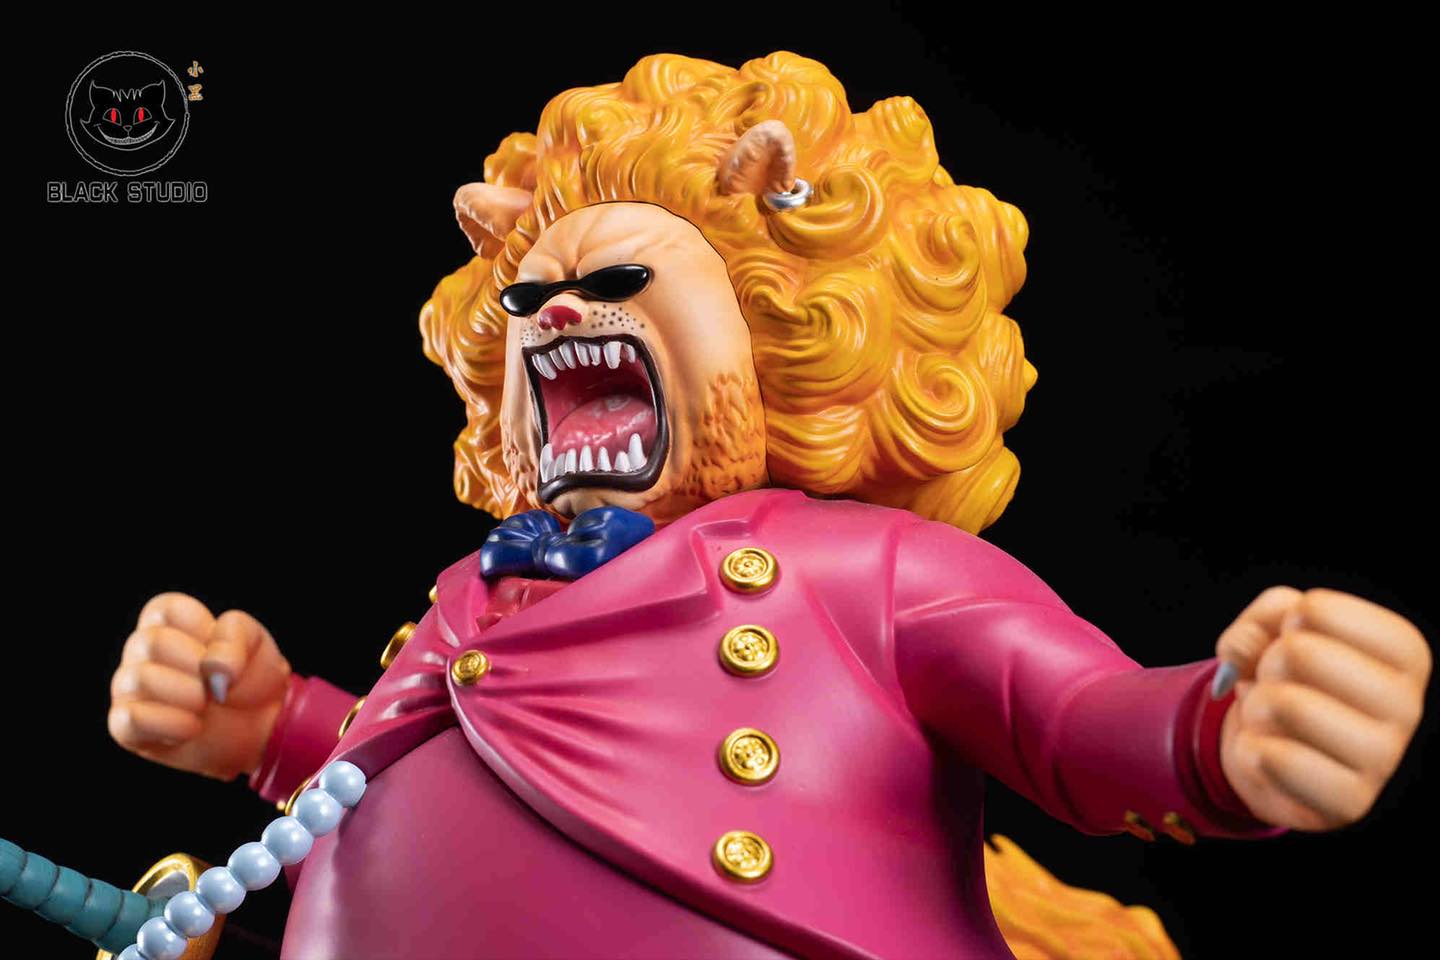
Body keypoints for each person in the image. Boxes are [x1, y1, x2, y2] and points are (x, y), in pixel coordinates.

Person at [97, 52, 1427, 959]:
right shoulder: (482, 591)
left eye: (619, 277)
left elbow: (1075, 723)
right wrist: (272, 728)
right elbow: (434, 770)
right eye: (528, 295)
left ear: (786, 334)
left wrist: (1223, 731)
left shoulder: (872, 576)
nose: (554, 311)